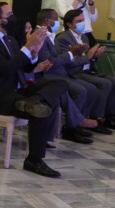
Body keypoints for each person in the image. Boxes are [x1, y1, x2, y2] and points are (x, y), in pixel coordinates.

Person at [0, 2, 69, 177]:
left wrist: (34, 53)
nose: (13, 18)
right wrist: (27, 47)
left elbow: (24, 68)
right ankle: (34, 160)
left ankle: (34, 102)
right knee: (42, 110)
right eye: (9, 15)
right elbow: (6, 68)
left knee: (61, 83)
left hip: (17, 92)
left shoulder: (10, 40)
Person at [55, 9, 115, 132]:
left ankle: (109, 117)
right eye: (79, 21)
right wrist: (88, 57)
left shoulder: (84, 37)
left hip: (87, 70)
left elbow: (88, 59)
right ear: (69, 24)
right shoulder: (63, 38)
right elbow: (68, 62)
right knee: (104, 84)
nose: (82, 23)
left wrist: (94, 56)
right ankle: (96, 118)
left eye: (83, 20)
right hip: (75, 72)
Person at [33, 9, 98, 143]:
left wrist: (72, 53)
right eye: (56, 19)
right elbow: (49, 62)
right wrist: (71, 54)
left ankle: (77, 125)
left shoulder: (48, 35)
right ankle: (71, 128)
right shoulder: (39, 35)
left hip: (59, 73)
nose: (58, 22)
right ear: (47, 21)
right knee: (80, 91)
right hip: (47, 75)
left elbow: (56, 58)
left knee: (89, 89)